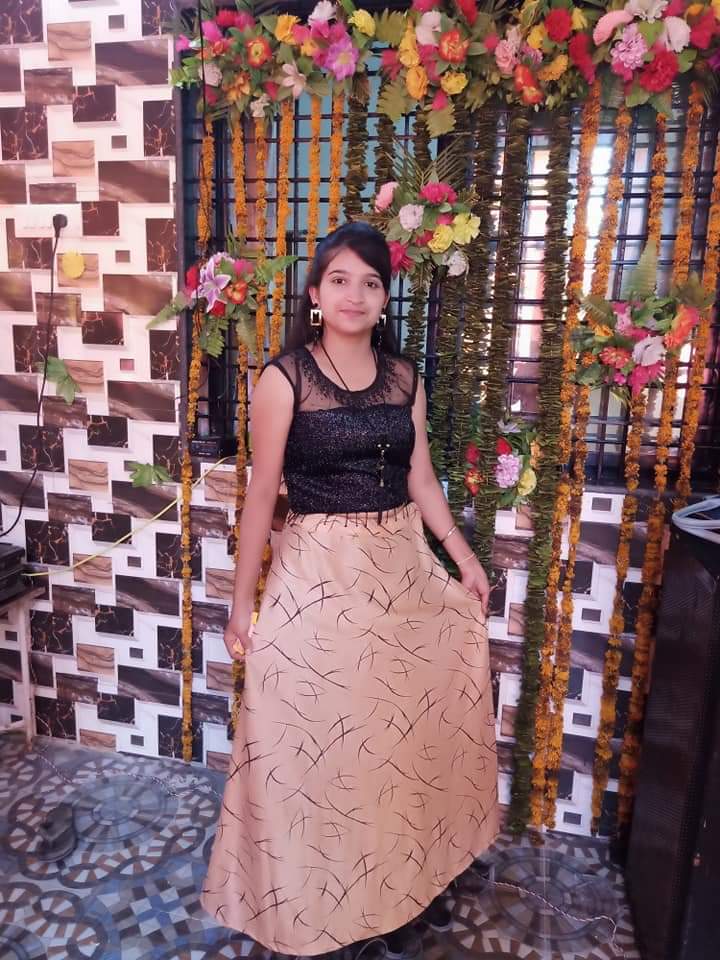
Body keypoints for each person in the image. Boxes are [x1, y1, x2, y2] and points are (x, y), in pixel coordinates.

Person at [202, 222, 499, 958]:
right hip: (319, 573)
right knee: (319, 740)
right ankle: (315, 901)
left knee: (402, 735)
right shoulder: (284, 380)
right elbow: (261, 495)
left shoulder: (405, 380)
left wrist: (463, 558)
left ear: (384, 298)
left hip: (402, 569)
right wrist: (241, 605)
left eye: (370, 282)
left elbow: (420, 479)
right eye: (339, 279)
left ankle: (405, 882)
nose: (355, 295)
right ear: (315, 292)